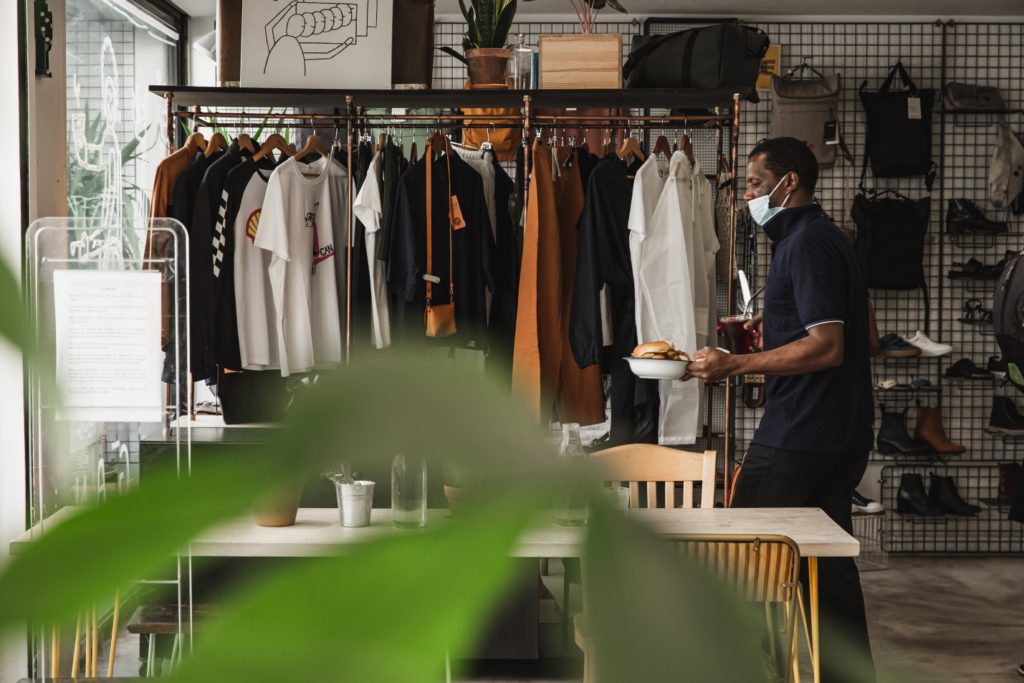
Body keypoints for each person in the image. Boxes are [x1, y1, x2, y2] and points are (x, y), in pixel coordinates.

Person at [686, 137, 876, 683]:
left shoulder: (804, 245)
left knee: (744, 558)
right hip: (840, 431)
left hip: (800, 432)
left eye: (754, 183)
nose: (747, 195)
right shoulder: (830, 238)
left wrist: (734, 364)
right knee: (826, 570)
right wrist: (776, 328)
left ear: (788, 182)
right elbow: (866, 336)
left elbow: (829, 347)